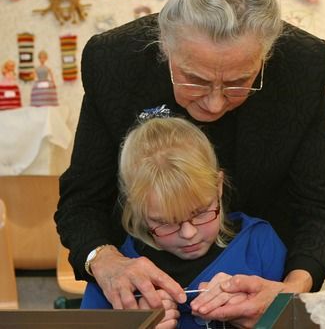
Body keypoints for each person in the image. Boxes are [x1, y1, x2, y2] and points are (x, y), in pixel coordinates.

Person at [54, 0, 325, 328]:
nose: (214, 103)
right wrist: (106, 263)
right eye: (194, 79)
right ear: (164, 49)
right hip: (144, 288)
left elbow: (318, 208)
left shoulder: (302, 65)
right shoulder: (115, 60)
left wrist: (289, 292)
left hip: (262, 271)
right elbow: (81, 200)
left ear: (267, 57)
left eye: (240, 82)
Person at [81, 117, 286, 329]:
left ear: (218, 186)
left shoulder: (259, 244)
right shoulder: (117, 276)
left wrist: (260, 318)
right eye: (166, 222)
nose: (188, 233)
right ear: (135, 208)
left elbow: (301, 318)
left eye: (200, 212)